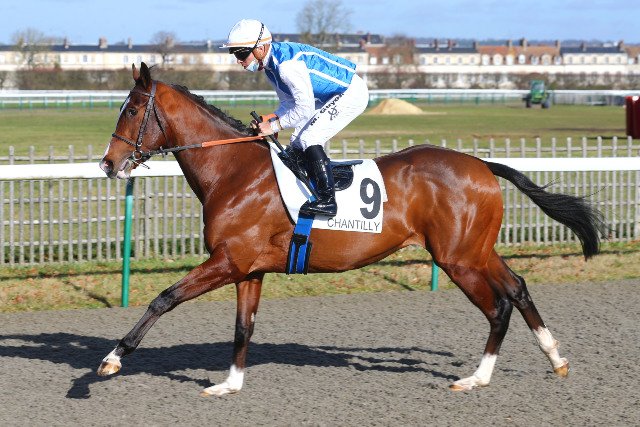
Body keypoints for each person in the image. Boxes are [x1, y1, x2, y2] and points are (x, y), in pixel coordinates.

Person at [222, 19, 369, 217]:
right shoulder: (271, 67)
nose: (239, 61)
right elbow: (289, 103)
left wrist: (273, 127)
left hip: (350, 93)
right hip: (331, 95)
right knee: (297, 141)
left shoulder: (286, 67)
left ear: (261, 48)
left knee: (309, 138)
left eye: (241, 54)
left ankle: (328, 201)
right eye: (235, 54)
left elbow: (305, 109)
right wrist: (271, 118)